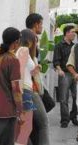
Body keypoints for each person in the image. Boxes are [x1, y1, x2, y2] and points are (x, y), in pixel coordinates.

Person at [0, 27, 23, 145]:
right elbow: (16, 89)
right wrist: (20, 111)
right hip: (7, 109)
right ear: (16, 42)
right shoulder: (12, 60)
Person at [26, 13, 50, 145]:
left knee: (30, 125)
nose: (42, 26)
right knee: (43, 123)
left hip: (27, 88)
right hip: (31, 88)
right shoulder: (31, 39)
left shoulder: (23, 38)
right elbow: (31, 67)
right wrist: (38, 66)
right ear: (36, 24)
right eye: (41, 24)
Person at [15, 29, 40, 145]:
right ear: (29, 39)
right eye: (34, 39)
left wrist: (36, 68)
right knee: (26, 126)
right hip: (24, 90)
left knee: (24, 126)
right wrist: (18, 93)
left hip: (25, 90)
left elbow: (26, 72)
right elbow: (19, 72)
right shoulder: (24, 50)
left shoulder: (20, 51)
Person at [53, 25, 78, 128]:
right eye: (72, 32)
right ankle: (64, 120)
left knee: (77, 97)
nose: (74, 34)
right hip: (64, 74)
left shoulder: (75, 46)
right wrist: (59, 70)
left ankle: (73, 116)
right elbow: (56, 61)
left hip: (74, 74)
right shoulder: (59, 45)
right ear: (67, 33)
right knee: (63, 98)